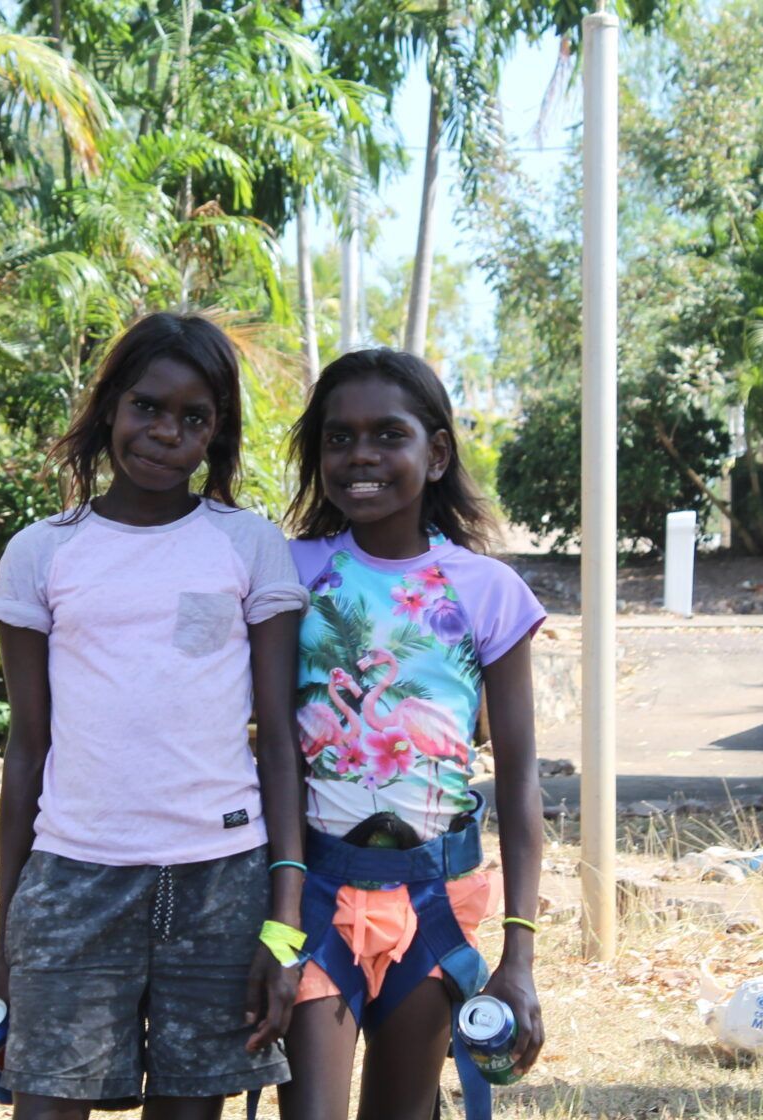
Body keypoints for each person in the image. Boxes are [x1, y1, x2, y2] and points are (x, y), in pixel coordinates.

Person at [0, 312, 309, 1120]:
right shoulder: (42, 552)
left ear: (217, 436)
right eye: (147, 406)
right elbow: (28, 750)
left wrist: (282, 932)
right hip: (75, 877)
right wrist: (5, 946)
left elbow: (279, 741)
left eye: (194, 419)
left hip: (221, 882)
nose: (164, 433)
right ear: (110, 405)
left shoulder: (247, 546)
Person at [277, 348, 546, 1120]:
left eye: (387, 435)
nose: (360, 454)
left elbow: (521, 775)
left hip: (434, 898)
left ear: (435, 454)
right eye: (338, 437)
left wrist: (519, 956)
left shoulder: (487, 592)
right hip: (314, 897)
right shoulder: (289, 574)